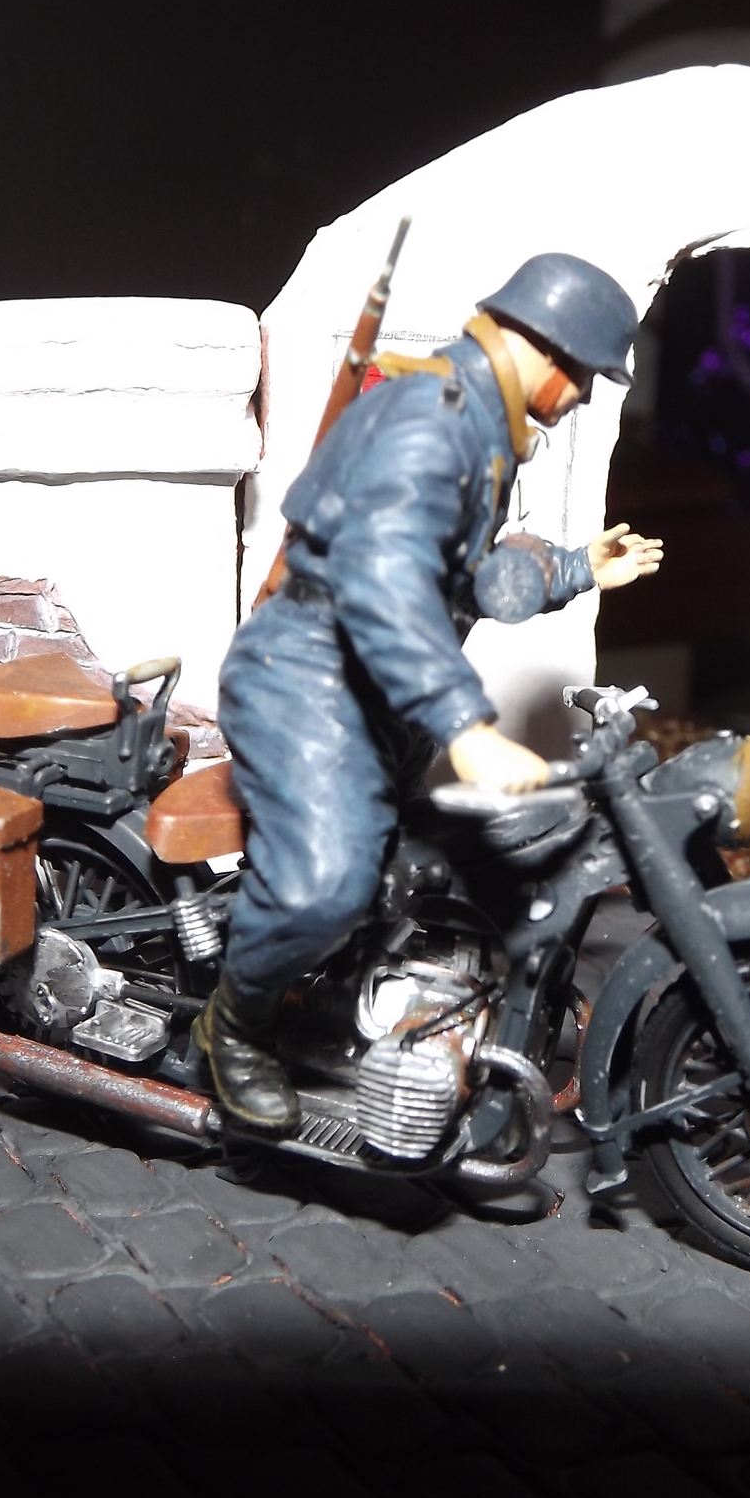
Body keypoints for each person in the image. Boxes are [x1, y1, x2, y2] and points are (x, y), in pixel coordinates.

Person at [197, 253, 663, 1130]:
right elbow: (384, 584)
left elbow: (465, 574)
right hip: (308, 675)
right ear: (544, 347)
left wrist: (575, 568)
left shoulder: (480, 420)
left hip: (378, 683)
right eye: (583, 376)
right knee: (325, 885)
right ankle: (235, 1024)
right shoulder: (431, 423)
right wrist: (465, 725)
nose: (581, 399)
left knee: (413, 871)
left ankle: (361, 1002)